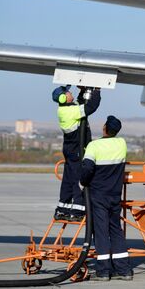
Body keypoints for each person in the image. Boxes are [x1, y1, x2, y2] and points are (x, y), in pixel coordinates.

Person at [81, 116, 132, 281]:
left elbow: (87, 168)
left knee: (101, 231)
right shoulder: (121, 144)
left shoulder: (94, 146)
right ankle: (124, 270)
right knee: (115, 229)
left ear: (104, 129)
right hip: (115, 195)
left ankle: (103, 271)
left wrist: (82, 182)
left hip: (98, 195)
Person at [53, 85, 101, 221]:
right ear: (63, 98)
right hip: (76, 150)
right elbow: (90, 107)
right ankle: (78, 210)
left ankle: (63, 209)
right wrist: (96, 91)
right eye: (67, 92)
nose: (69, 92)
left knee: (68, 179)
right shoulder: (71, 111)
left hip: (70, 149)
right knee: (78, 179)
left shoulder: (65, 109)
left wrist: (82, 91)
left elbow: (79, 104)